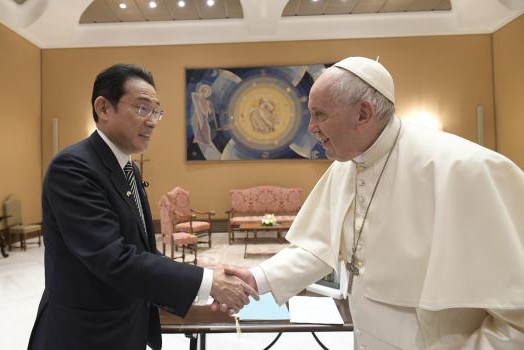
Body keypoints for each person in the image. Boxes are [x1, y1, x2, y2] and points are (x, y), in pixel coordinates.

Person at [218, 57, 524, 349]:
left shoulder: (464, 169)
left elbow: (517, 318)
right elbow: (317, 247)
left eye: (320, 113)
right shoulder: (346, 164)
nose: (311, 126)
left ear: (363, 114)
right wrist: (258, 278)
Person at [28, 64, 258, 350]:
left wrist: (202, 275)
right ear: (103, 107)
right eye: (142, 108)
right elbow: (114, 259)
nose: (152, 121)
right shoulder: (74, 168)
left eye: (156, 112)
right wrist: (208, 282)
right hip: (85, 334)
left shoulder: (128, 168)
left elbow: (142, 253)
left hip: (126, 327)